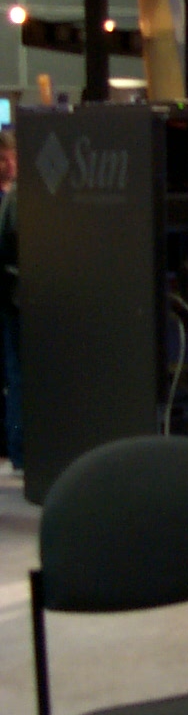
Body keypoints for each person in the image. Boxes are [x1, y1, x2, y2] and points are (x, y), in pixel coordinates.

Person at [0, 130, 22, 473]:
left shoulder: (17, 196)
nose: (10, 164)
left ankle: (16, 449)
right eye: (4, 159)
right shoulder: (15, 200)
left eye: (12, 157)